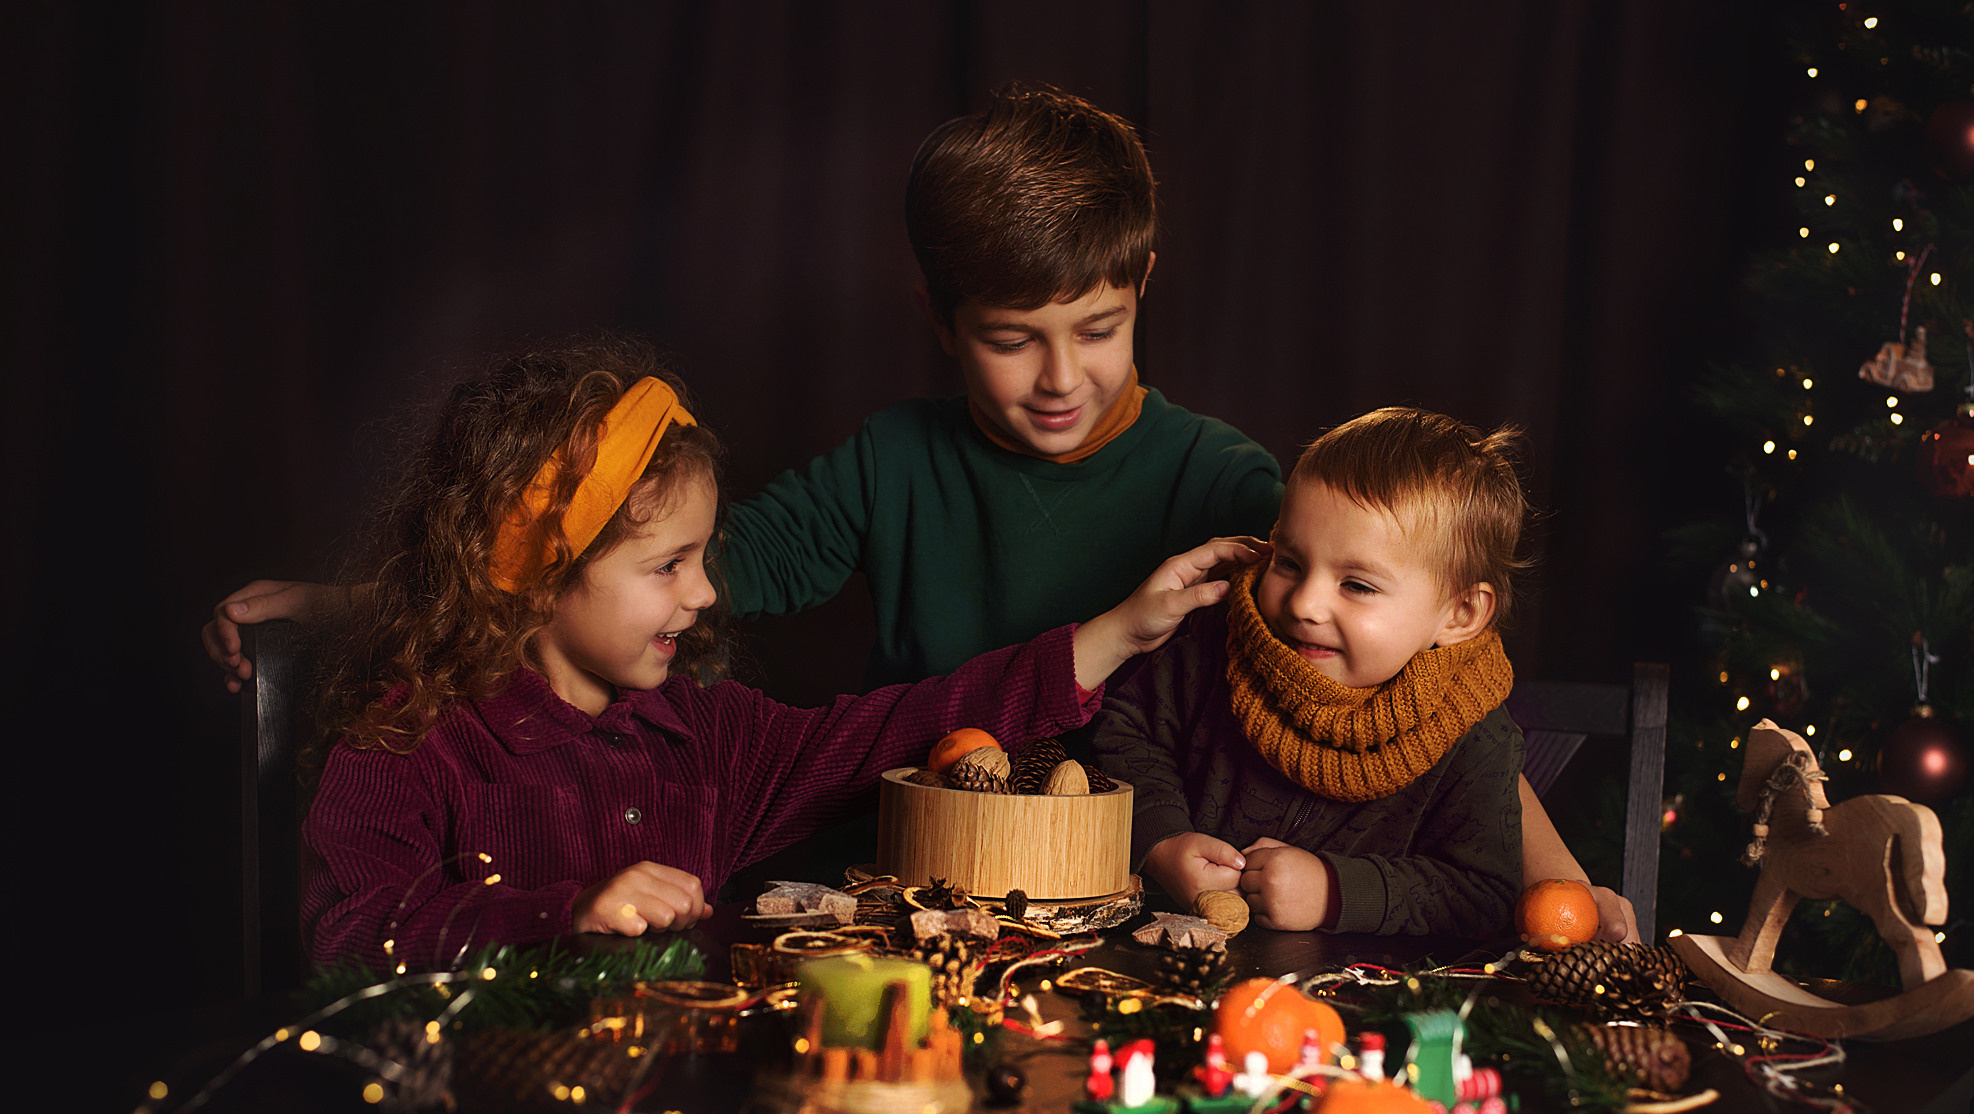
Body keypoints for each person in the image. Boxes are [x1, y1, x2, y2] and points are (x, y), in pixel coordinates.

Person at [205, 85, 1632, 931]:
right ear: (938, 318)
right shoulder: (891, 462)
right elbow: (621, 574)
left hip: (1129, 907)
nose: (1059, 379)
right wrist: (363, 603)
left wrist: (1556, 882)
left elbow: (1401, 687)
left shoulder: (1229, 489)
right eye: (1014, 338)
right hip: (918, 885)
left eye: (1095, 327)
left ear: (1144, 289)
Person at [300, 338, 1255, 969]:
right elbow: (343, 937)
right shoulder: (408, 739)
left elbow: (905, 724)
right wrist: (564, 914)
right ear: (542, 574)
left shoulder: (709, 738)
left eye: (703, 558)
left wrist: (1119, 632)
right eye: (667, 564)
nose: (706, 591)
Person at [1096, 407, 1633, 942]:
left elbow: (1480, 893)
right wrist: (1163, 841)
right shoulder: (1216, 652)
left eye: (1357, 585)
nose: (1305, 603)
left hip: (1357, 998)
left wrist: (1334, 892)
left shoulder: (1474, 738)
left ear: (1459, 614)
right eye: (1289, 562)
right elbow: (1122, 735)